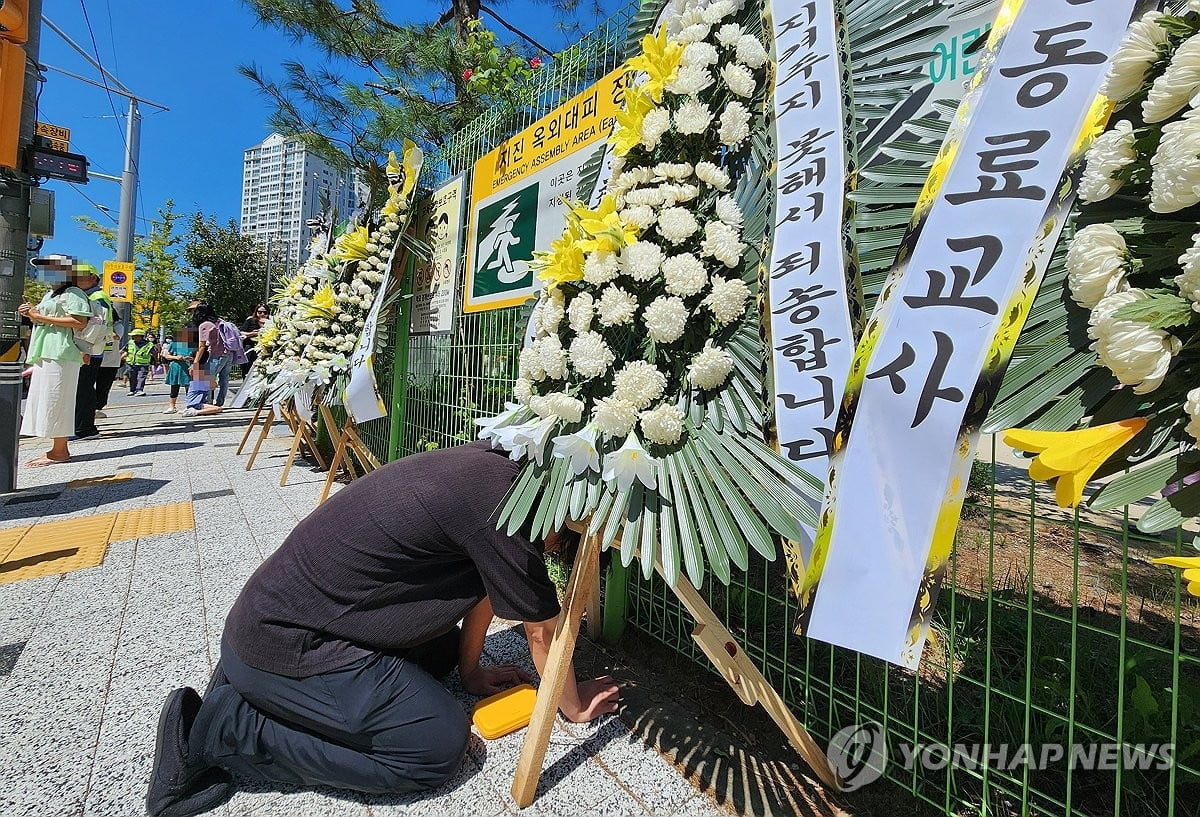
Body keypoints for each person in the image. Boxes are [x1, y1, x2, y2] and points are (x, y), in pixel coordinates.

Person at [145, 441, 619, 817]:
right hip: (284, 648)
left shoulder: (496, 469)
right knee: (434, 745)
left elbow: (483, 581)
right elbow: (542, 633)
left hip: (271, 623)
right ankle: (226, 728)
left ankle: (268, 694)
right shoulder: (509, 512)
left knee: (440, 655)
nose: (555, 552)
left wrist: (469, 671)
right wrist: (573, 705)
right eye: (563, 545)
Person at [19, 255, 95, 466]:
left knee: (58, 399)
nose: (46, 272)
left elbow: (79, 321)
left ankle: (60, 450)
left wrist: (39, 316)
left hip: (63, 353)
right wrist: (31, 313)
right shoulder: (50, 295)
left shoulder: (73, 292)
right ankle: (56, 448)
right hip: (48, 352)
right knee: (49, 399)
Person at [72, 265, 114, 439]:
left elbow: (97, 325)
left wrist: (85, 348)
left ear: (93, 278)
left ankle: (84, 428)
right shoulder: (88, 295)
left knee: (83, 389)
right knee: (83, 388)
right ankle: (82, 427)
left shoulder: (97, 296)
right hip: (90, 349)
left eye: (81, 276)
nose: (76, 279)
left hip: (89, 349)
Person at [193, 302, 233, 407]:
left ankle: (208, 402)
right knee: (224, 379)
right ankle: (220, 402)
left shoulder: (205, 325)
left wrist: (196, 361)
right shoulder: (220, 321)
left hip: (217, 355)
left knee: (208, 378)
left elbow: (202, 346)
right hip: (228, 353)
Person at [162, 329, 195, 414]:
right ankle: (172, 407)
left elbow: (198, 357)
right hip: (175, 367)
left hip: (188, 368)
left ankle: (190, 406)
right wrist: (176, 357)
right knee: (174, 387)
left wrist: (191, 359)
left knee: (189, 387)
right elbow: (166, 355)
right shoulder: (173, 344)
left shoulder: (193, 345)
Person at [123, 329, 154, 396]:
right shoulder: (130, 342)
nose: (132, 337)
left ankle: (139, 390)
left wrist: (156, 361)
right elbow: (125, 350)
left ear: (140, 336)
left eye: (134, 336)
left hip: (143, 364)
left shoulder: (149, 344)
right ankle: (132, 390)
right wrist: (121, 357)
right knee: (132, 377)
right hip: (131, 363)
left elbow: (154, 353)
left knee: (141, 377)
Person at [240, 304, 267, 377]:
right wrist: (252, 333)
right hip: (249, 347)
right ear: (256, 312)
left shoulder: (270, 322)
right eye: (260, 312)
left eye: (265, 312)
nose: (262, 314)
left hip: (264, 348)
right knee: (247, 367)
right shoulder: (250, 321)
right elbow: (241, 332)